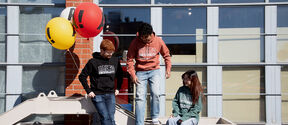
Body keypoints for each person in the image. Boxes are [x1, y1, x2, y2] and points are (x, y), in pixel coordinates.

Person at [126, 22, 171, 125]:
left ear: (152, 34)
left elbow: (167, 56)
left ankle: (154, 117)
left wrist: (168, 69)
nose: (145, 40)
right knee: (140, 98)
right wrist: (133, 75)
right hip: (140, 72)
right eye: (142, 38)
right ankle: (139, 122)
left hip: (154, 71)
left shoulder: (158, 41)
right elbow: (129, 60)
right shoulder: (135, 42)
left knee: (156, 93)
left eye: (147, 37)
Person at [79, 39, 123, 125]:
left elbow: (120, 75)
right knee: (105, 117)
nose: (110, 54)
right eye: (108, 52)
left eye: (112, 52)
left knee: (111, 117)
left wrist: (118, 88)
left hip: (110, 94)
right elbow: (82, 76)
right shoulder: (93, 62)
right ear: (102, 50)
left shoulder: (115, 61)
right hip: (98, 94)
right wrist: (89, 91)